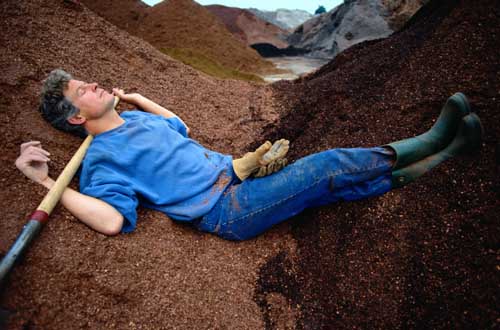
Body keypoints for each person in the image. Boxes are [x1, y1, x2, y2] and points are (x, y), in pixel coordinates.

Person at [15, 69, 483, 240]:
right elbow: (112, 220)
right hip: (226, 210)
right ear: (76, 118)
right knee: (324, 166)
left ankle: (441, 156)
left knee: (333, 190)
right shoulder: (100, 159)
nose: (94, 84)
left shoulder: (139, 121)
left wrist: (135, 99)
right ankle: (429, 139)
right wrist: (43, 183)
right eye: (84, 90)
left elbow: (179, 123)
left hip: (237, 174)